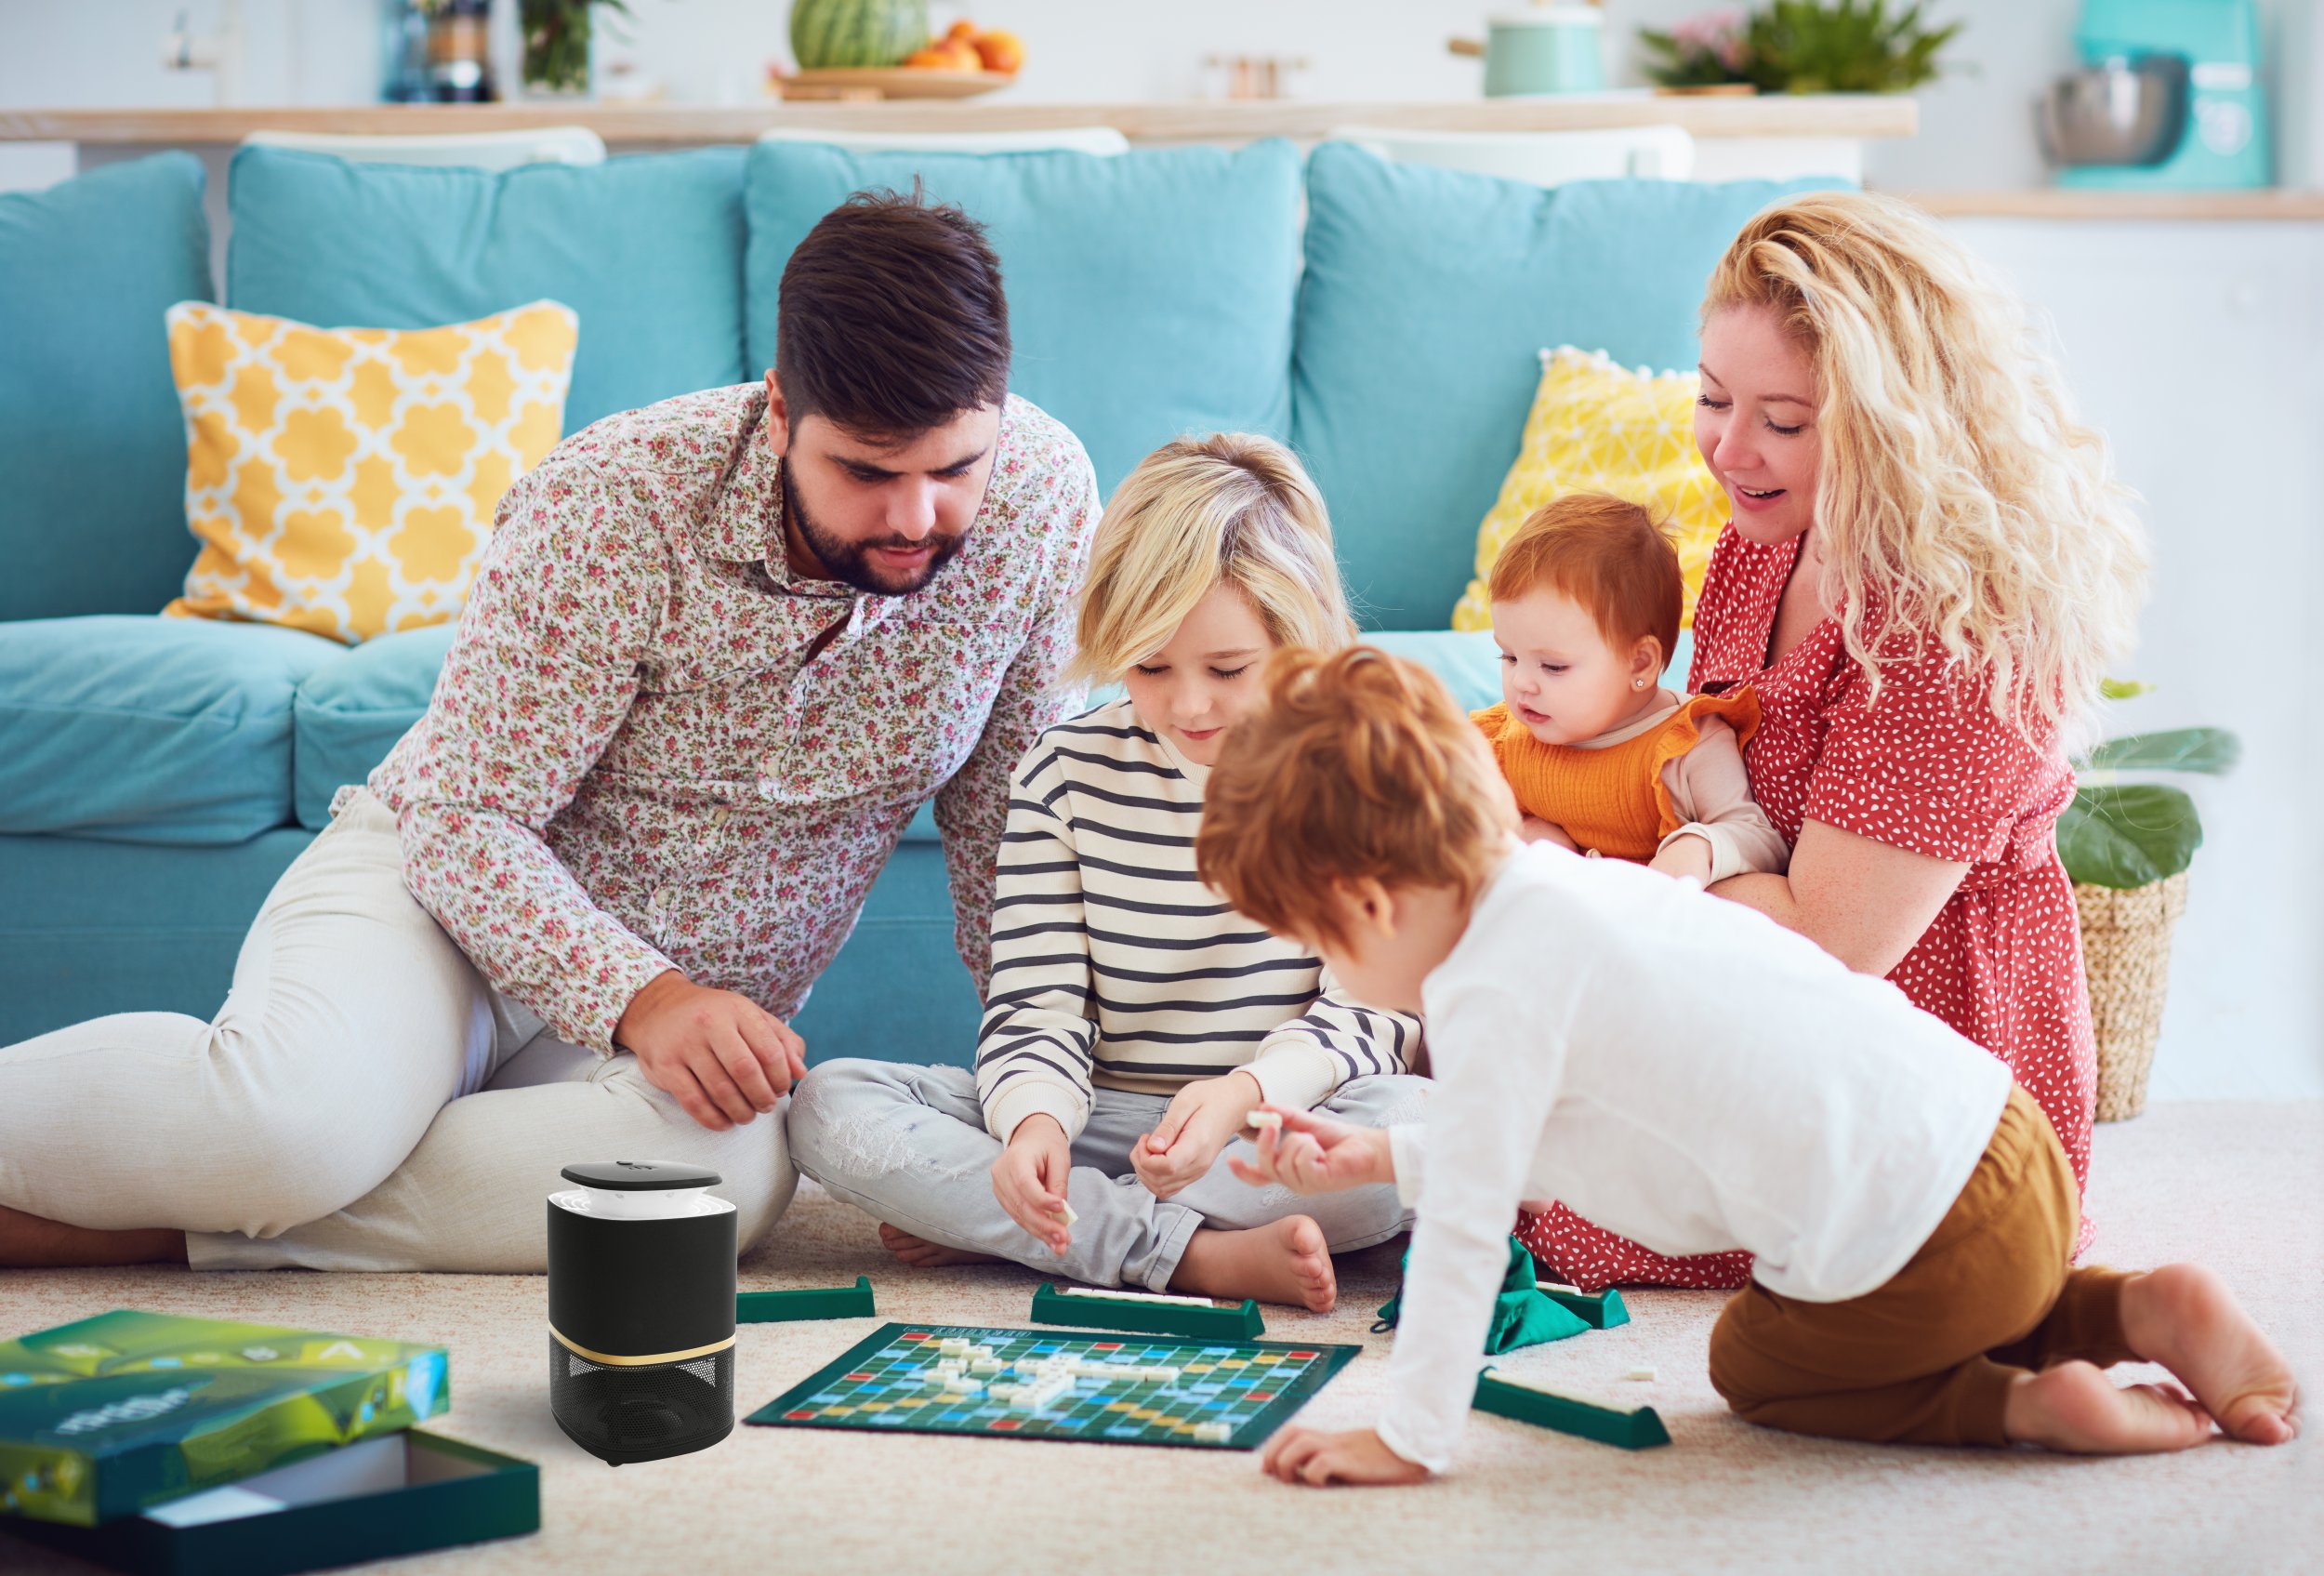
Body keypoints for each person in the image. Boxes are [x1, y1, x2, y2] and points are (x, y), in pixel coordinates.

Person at [0, 191, 1100, 1274]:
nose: (915, 520)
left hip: (687, 1015)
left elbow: (1011, 835)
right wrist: (643, 997)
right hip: (447, 908)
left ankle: (184, 1222)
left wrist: (1052, 1091)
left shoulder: (1045, 502)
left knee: (729, 1184)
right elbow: (465, 819)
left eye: (955, 469)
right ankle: (289, 1159)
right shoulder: (612, 501)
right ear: (778, 414)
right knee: (287, 1126)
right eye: (865, 472)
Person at [1196, 646, 2296, 1486]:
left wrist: (1409, 1433)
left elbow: (1472, 1231)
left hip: (1931, 1239)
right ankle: (2137, 1311)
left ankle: (2019, 1407)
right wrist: (1383, 1155)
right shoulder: (1575, 887)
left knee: (1758, 1361)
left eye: (1321, 944)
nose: (1332, 968)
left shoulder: (1487, 991)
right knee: (1921, 1276)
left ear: (1371, 905)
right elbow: (1554, 1138)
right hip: (1997, 1142)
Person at [1517, 190, 2150, 1293]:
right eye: (1713, 398)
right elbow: (1701, 782)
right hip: (1747, 981)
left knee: (1545, 1208)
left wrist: (1574, 876)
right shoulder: (1765, 544)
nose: (1729, 449)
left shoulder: (1963, 634)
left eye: (1784, 420)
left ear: (1895, 422)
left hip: (1910, 1062)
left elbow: (1823, 947)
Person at [788, 435, 1427, 1312]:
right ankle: (1188, 1254)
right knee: (829, 1103)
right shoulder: (1065, 771)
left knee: (1422, 1134)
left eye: (1228, 669)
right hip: (1100, 1120)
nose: (1190, 704)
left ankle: (1027, 1231)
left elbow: (1371, 1015)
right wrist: (1035, 1127)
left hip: (1271, 1125)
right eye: (1151, 667)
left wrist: (1245, 1093)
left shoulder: (1366, 770)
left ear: (1298, 631)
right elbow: (1036, 1003)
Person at [1473, 491, 1785, 885]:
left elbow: (1761, 839)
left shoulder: (1689, 746)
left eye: (1553, 666)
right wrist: (1522, 831)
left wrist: (1698, 847)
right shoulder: (1503, 740)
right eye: (1509, 657)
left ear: (1639, 664)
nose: (1520, 683)